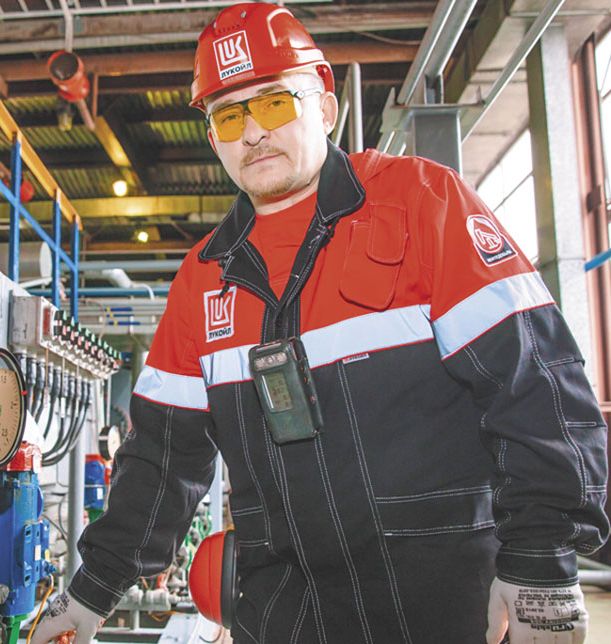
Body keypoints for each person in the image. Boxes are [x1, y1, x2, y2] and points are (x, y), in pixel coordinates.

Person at [32, 3, 609, 643]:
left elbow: (534, 385)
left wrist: (541, 559)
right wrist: (92, 590)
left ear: (326, 108)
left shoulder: (422, 203)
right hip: (287, 616)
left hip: (449, 607)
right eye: (229, 116)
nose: (254, 132)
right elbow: (162, 459)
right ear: (214, 138)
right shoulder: (203, 279)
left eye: (274, 103)